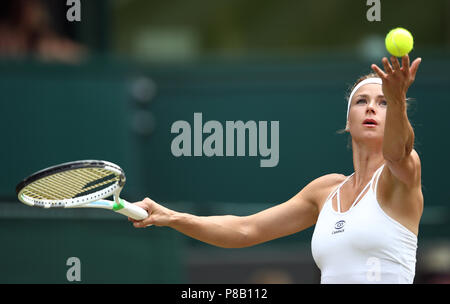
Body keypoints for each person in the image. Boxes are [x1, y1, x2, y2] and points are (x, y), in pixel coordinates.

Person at [129, 55, 423, 284]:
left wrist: (398, 99)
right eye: (362, 101)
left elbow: (397, 152)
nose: (371, 108)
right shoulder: (324, 191)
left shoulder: (401, 175)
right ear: (348, 121)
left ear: (396, 116)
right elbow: (246, 229)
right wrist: (172, 217)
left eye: (383, 103)